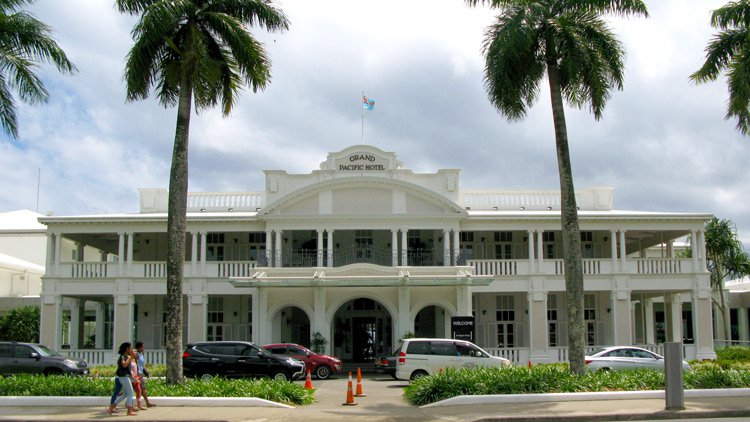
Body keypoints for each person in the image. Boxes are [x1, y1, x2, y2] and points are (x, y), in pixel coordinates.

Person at [107, 342, 136, 416]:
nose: (131, 349)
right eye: (130, 348)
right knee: (130, 393)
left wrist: (133, 378)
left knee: (125, 394)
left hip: (126, 377)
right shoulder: (123, 356)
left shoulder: (127, 357)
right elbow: (124, 365)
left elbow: (128, 369)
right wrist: (131, 358)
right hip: (123, 377)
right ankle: (129, 411)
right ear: (127, 349)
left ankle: (111, 407)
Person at [135, 341, 154, 408]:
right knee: (141, 389)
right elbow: (134, 365)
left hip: (140, 374)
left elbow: (142, 365)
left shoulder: (141, 354)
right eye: (142, 347)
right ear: (139, 347)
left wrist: (146, 372)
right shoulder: (136, 355)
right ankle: (147, 403)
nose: (143, 348)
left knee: (142, 389)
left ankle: (147, 403)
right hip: (137, 374)